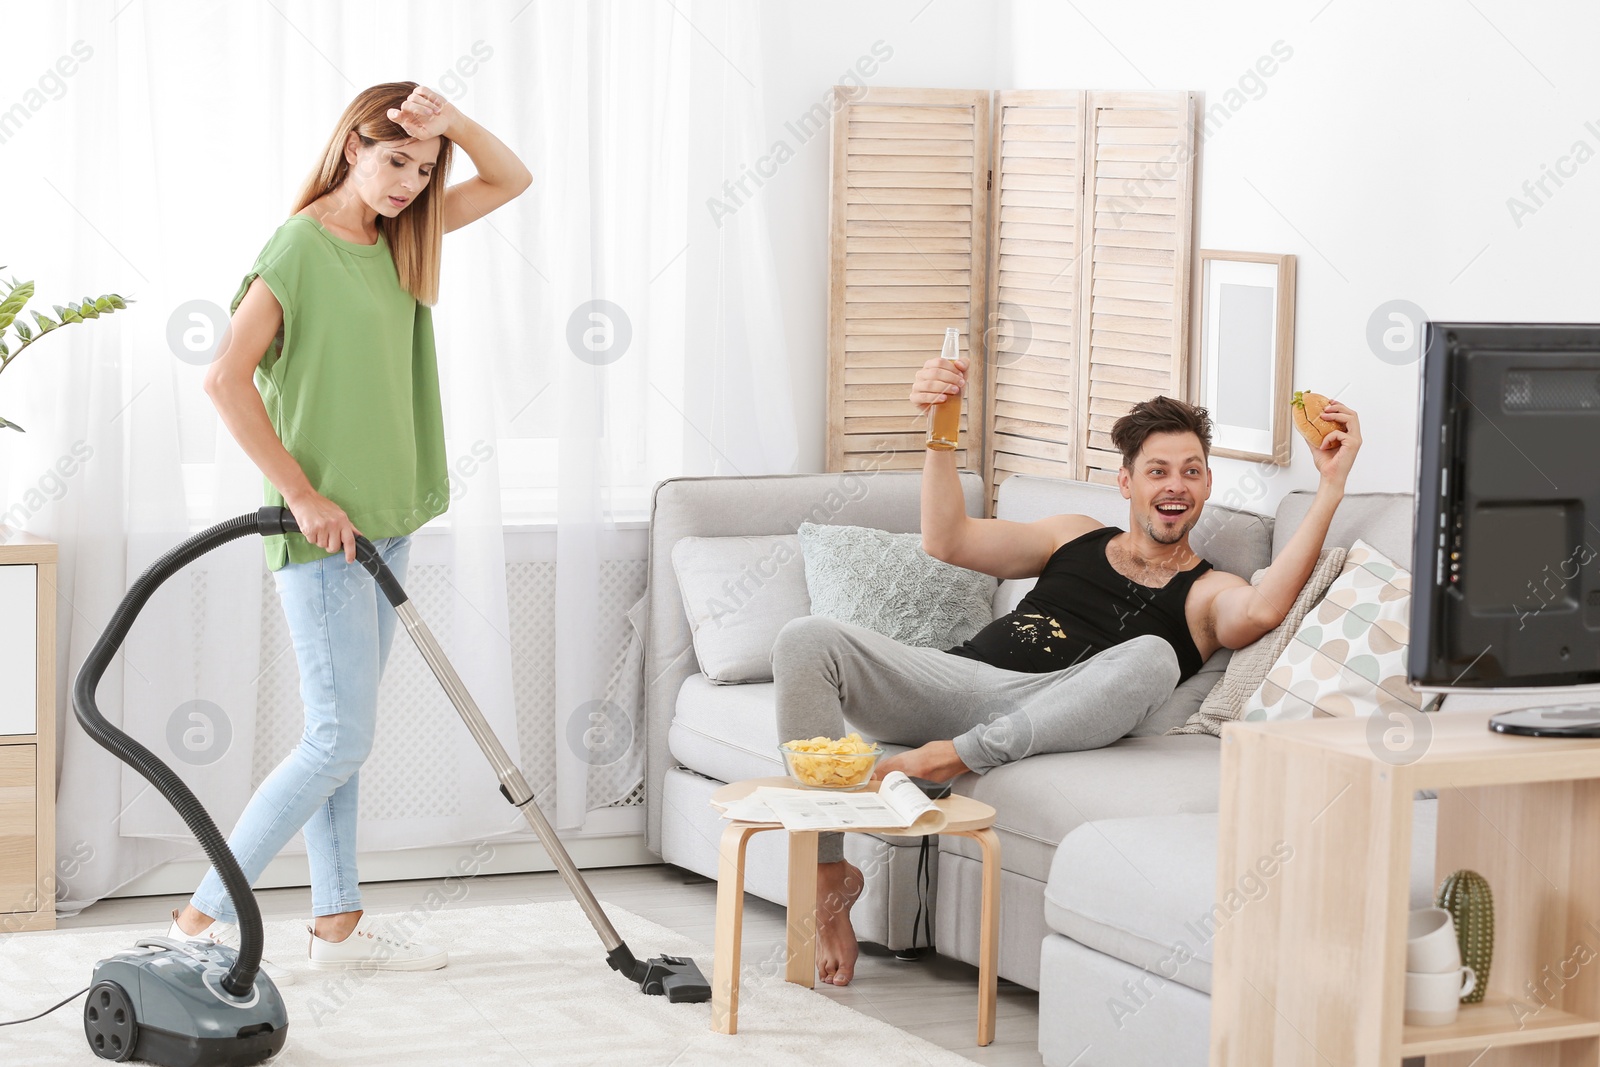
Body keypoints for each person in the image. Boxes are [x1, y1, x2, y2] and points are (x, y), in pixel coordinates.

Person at [775, 356, 1362, 986]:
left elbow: (1269, 607)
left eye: (1191, 472)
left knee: (1153, 656)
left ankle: (951, 759)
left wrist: (1330, 484)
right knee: (807, 639)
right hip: (956, 680)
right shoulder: (1074, 536)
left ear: (1209, 483)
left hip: (1053, 711)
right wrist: (939, 435)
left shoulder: (1209, 592)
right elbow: (947, 541)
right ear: (1126, 481)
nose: (1175, 486)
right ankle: (827, 872)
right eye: (1157, 471)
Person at [165, 82, 532, 979]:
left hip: (389, 522)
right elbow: (224, 379)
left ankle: (337, 916)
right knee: (337, 737)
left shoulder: (400, 238)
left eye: (425, 169)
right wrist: (301, 495)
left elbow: (513, 177)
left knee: (345, 733)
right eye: (395, 161)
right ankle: (200, 915)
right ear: (350, 148)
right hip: (325, 534)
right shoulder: (298, 246)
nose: (410, 183)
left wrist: (452, 126)